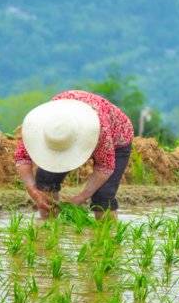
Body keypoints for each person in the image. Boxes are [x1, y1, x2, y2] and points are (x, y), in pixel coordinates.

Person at [14, 90, 134, 219]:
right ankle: (48, 225)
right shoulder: (41, 126)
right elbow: (21, 157)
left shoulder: (99, 129)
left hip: (117, 138)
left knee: (103, 196)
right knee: (45, 180)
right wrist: (33, 191)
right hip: (70, 125)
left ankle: (107, 230)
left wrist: (80, 198)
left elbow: (105, 167)